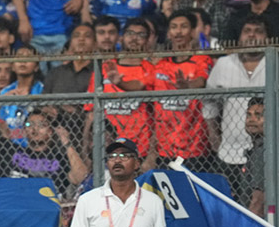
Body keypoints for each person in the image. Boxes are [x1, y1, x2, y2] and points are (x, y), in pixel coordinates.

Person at [67, 138, 171, 227]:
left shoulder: (153, 201)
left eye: (124, 156)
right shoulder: (87, 200)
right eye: (112, 156)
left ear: (136, 163)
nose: (117, 160)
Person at [204, 16, 267, 190]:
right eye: (247, 31)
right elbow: (209, 102)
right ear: (239, 36)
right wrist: (213, 135)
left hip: (267, 152)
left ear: (268, 37)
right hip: (229, 152)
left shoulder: (275, 63)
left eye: (258, 31)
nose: (252, 35)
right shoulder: (224, 64)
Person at [83, 18, 156, 159]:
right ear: (121, 37)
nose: (134, 38)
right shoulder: (105, 67)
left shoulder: (151, 69)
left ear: (147, 40)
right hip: (105, 147)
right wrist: (85, 150)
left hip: (140, 148)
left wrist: (152, 155)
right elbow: (91, 112)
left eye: (141, 35)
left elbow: (157, 114)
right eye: (130, 33)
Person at [151, 10, 214, 167]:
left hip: (195, 148)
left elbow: (201, 81)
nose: (178, 31)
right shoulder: (160, 64)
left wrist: (187, 86)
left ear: (192, 31)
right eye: (174, 27)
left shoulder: (202, 59)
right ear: (168, 33)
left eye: (183, 27)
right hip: (164, 148)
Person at [243, 97, 265, 216]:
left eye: (258, 115)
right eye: (249, 115)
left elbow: (257, 203)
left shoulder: (263, 151)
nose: (251, 120)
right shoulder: (257, 147)